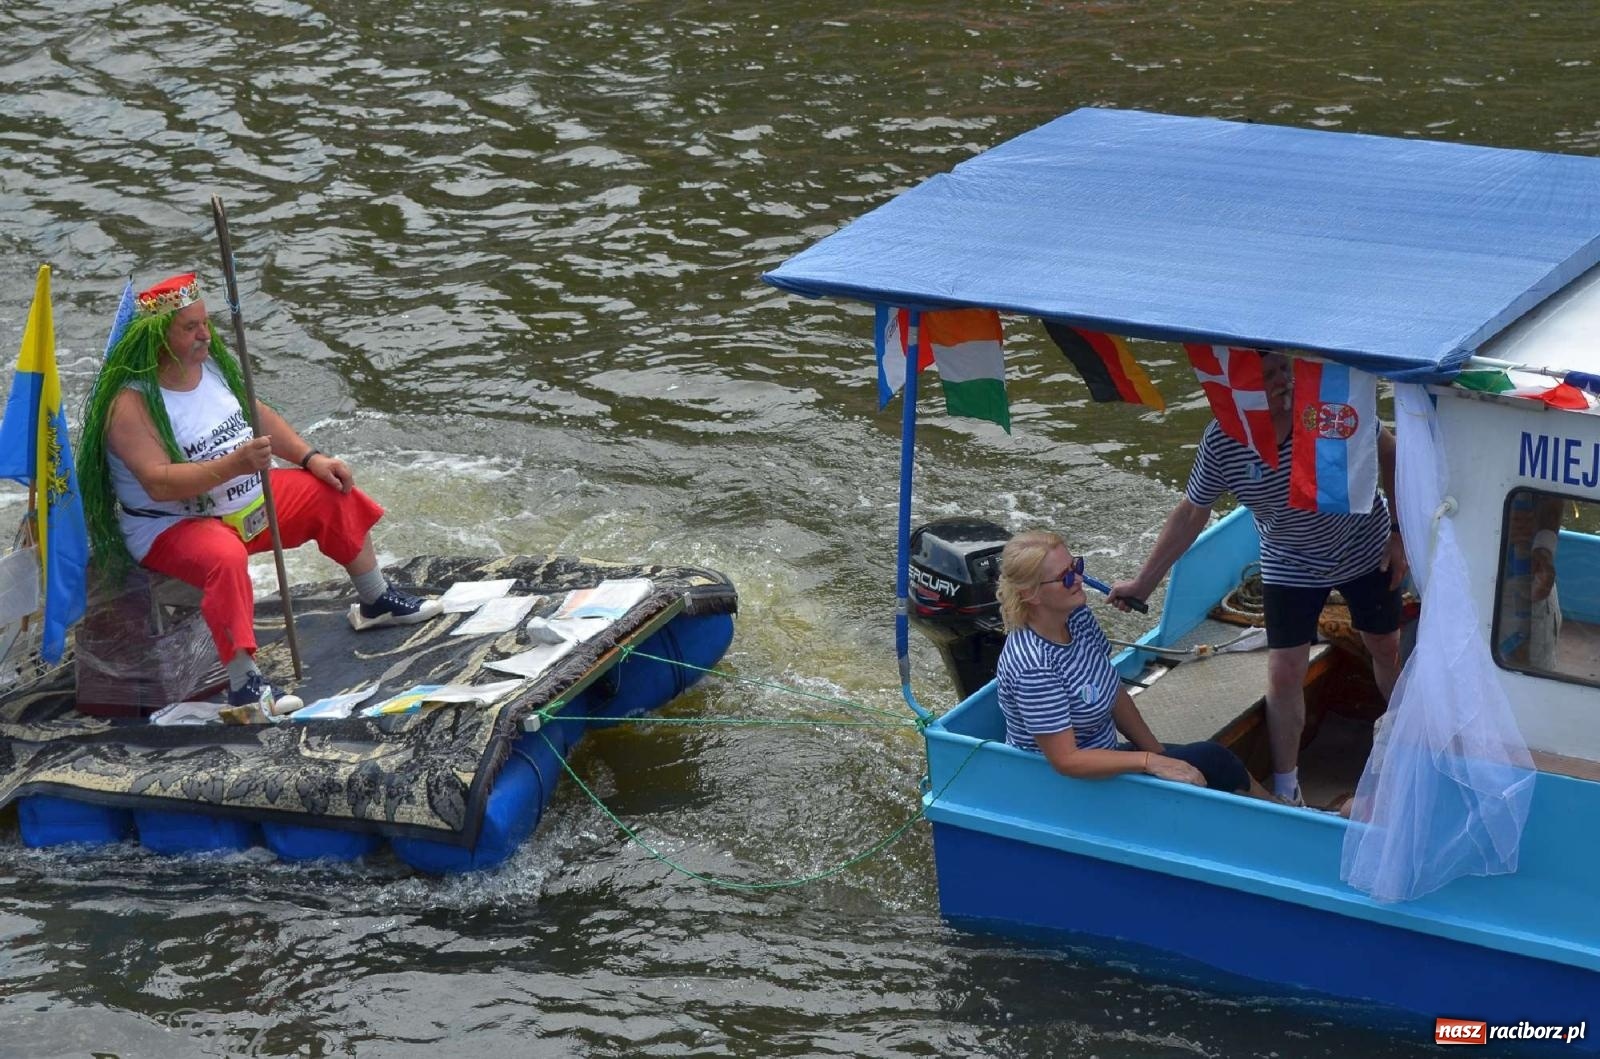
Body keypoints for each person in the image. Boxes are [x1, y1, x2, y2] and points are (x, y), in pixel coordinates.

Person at [78, 273, 442, 714]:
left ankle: (375, 598)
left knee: (330, 491)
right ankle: (245, 683)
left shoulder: (210, 368)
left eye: (205, 323)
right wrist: (234, 465)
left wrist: (311, 458)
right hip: (174, 524)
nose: (204, 335)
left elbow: (258, 416)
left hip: (246, 501)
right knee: (224, 557)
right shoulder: (130, 404)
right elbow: (158, 480)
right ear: (158, 337)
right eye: (189, 328)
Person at [1108, 352, 1407, 806]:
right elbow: (1192, 512)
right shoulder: (1224, 441)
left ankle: (1407, 747)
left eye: (1285, 369)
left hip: (1361, 547)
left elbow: (1390, 452)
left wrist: (1400, 534)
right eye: (1269, 376)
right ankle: (1287, 787)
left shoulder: (1327, 413)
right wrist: (1143, 583)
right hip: (1289, 559)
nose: (1285, 381)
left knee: (1383, 646)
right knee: (1284, 671)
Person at [994, 529, 1272, 798]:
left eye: (1076, 566)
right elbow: (1067, 760)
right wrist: (1149, 761)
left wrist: (1162, 756)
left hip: (1106, 761)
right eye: (1065, 577)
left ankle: (1283, 813)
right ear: (1031, 594)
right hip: (1064, 787)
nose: (1078, 579)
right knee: (1208, 769)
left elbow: (1114, 691)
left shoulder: (1076, 616)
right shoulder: (1033, 666)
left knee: (1216, 762)